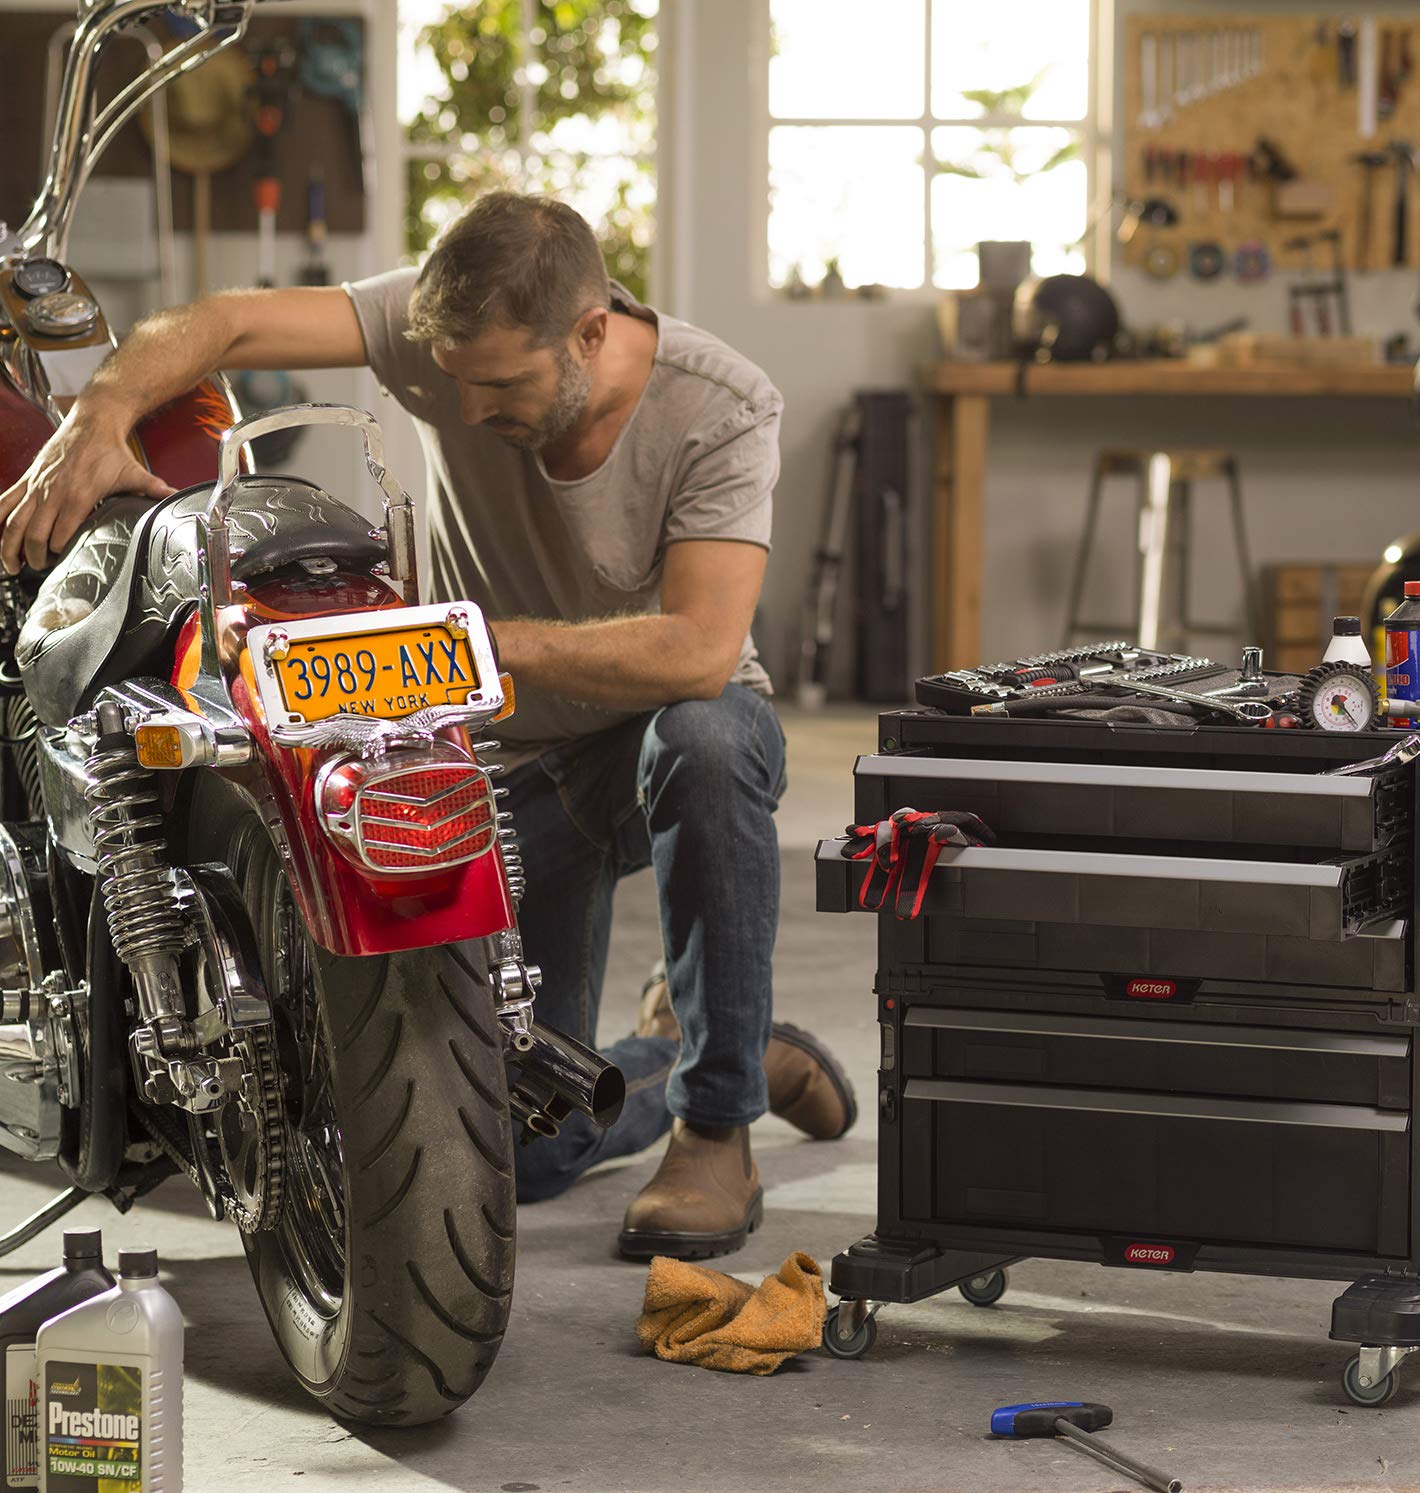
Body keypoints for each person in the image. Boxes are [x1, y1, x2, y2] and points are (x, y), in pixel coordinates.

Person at [0, 190, 853, 1260]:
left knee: (712, 738)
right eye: (449, 375)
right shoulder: (444, 332)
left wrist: (461, 638)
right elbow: (217, 322)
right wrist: (98, 414)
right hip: (500, 762)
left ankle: (717, 1121)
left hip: (650, 743)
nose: (463, 400)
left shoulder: (720, 404)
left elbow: (699, 649)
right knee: (517, 1150)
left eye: (498, 381)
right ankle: (725, 1042)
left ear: (591, 334)